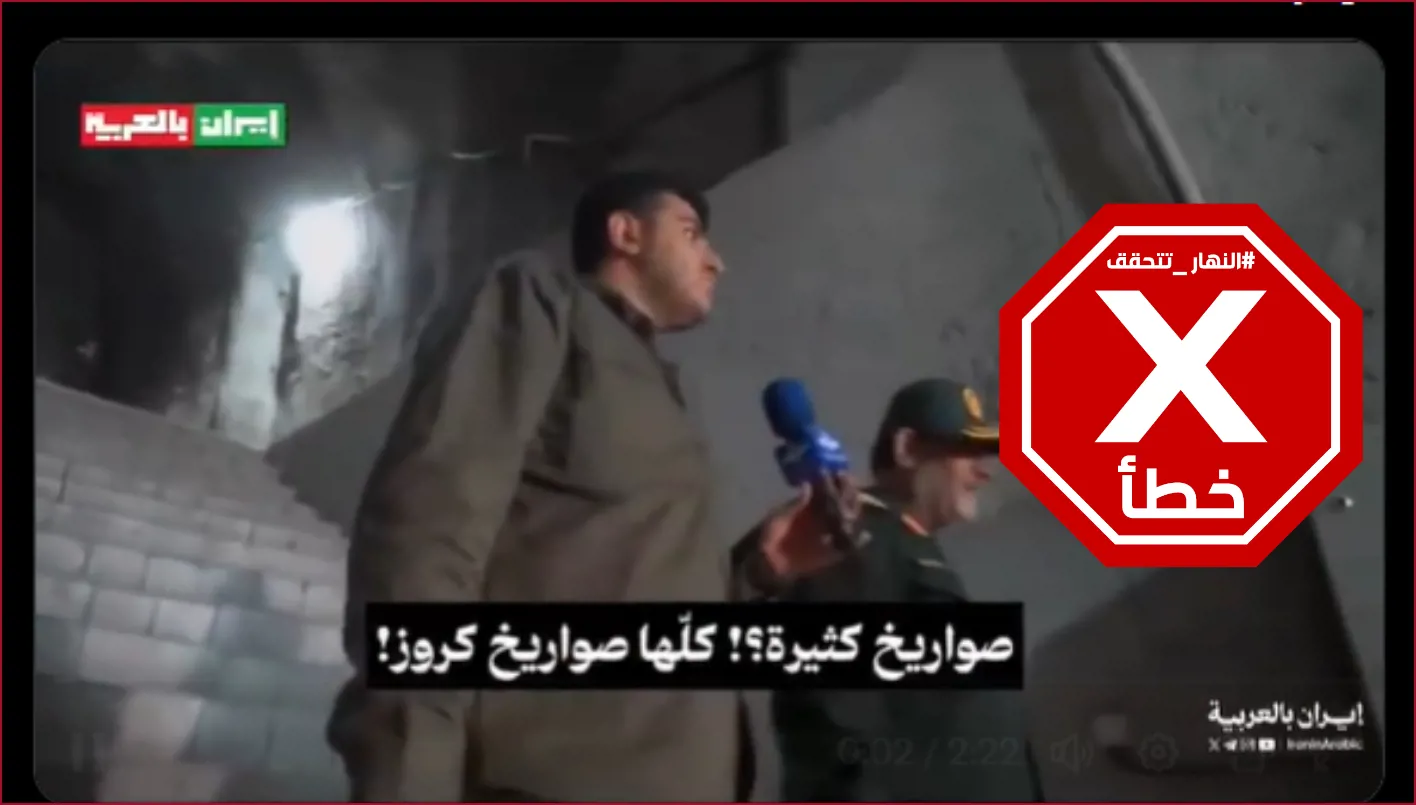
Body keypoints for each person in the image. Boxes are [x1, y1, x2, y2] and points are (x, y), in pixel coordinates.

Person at [328, 171, 857, 802]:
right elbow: (428, 529)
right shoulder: (541, 301)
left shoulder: (665, 390)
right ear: (626, 233)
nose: (716, 260)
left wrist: (760, 569)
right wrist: (411, 776)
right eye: (692, 233)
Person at [772, 378, 1046, 802]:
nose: (984, 470)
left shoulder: (902, 544)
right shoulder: (849, 545)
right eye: (966, 451)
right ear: (908, 449)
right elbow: (839, 723)